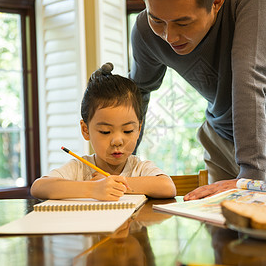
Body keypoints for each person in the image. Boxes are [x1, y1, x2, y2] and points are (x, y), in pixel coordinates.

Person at [129, 0, 266, 200]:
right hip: (220, 144)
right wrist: (121, 167)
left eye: (183, 23)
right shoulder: (145, 33)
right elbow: (136, 94)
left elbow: (250, 74)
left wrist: (250, 176)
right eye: (157, 20)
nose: (170, 36)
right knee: (222, 234)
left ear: (217, 3)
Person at [31, 63, 176, 200]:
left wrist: (115, 184)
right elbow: (39, 187)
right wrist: (93, 189)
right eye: (106, 132)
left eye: (127, 130)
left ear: (139, 129)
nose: (117, 141)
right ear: (85, 130)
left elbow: (167, 187)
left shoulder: (139, 168)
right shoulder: (79, 168)